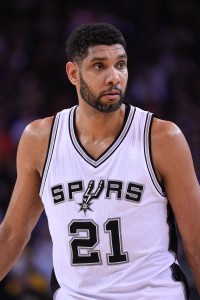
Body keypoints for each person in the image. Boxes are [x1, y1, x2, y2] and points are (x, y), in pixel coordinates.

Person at [0, 22, 200, 300]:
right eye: (99, 66)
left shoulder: (162, 138)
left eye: (120, 64)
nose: (114, 77)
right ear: (73, 73)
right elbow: (12, 235)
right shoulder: (40, 139)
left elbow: (196, 243)